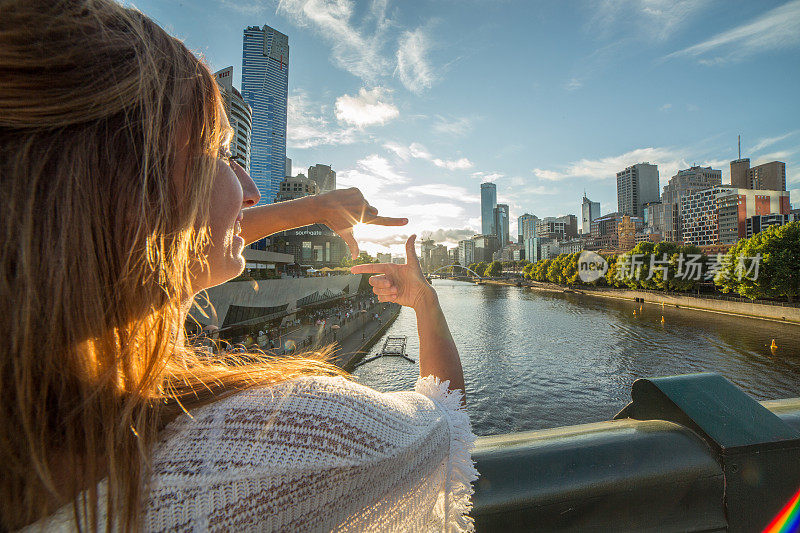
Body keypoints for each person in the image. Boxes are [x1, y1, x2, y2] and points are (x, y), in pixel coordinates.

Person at [0, 0, 476, 531]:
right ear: (131, 194)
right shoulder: (268, 439)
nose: (249, 190)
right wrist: (425, 302)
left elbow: (174, 236)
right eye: (223, 154)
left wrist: (314, 206)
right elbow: (445, 424)